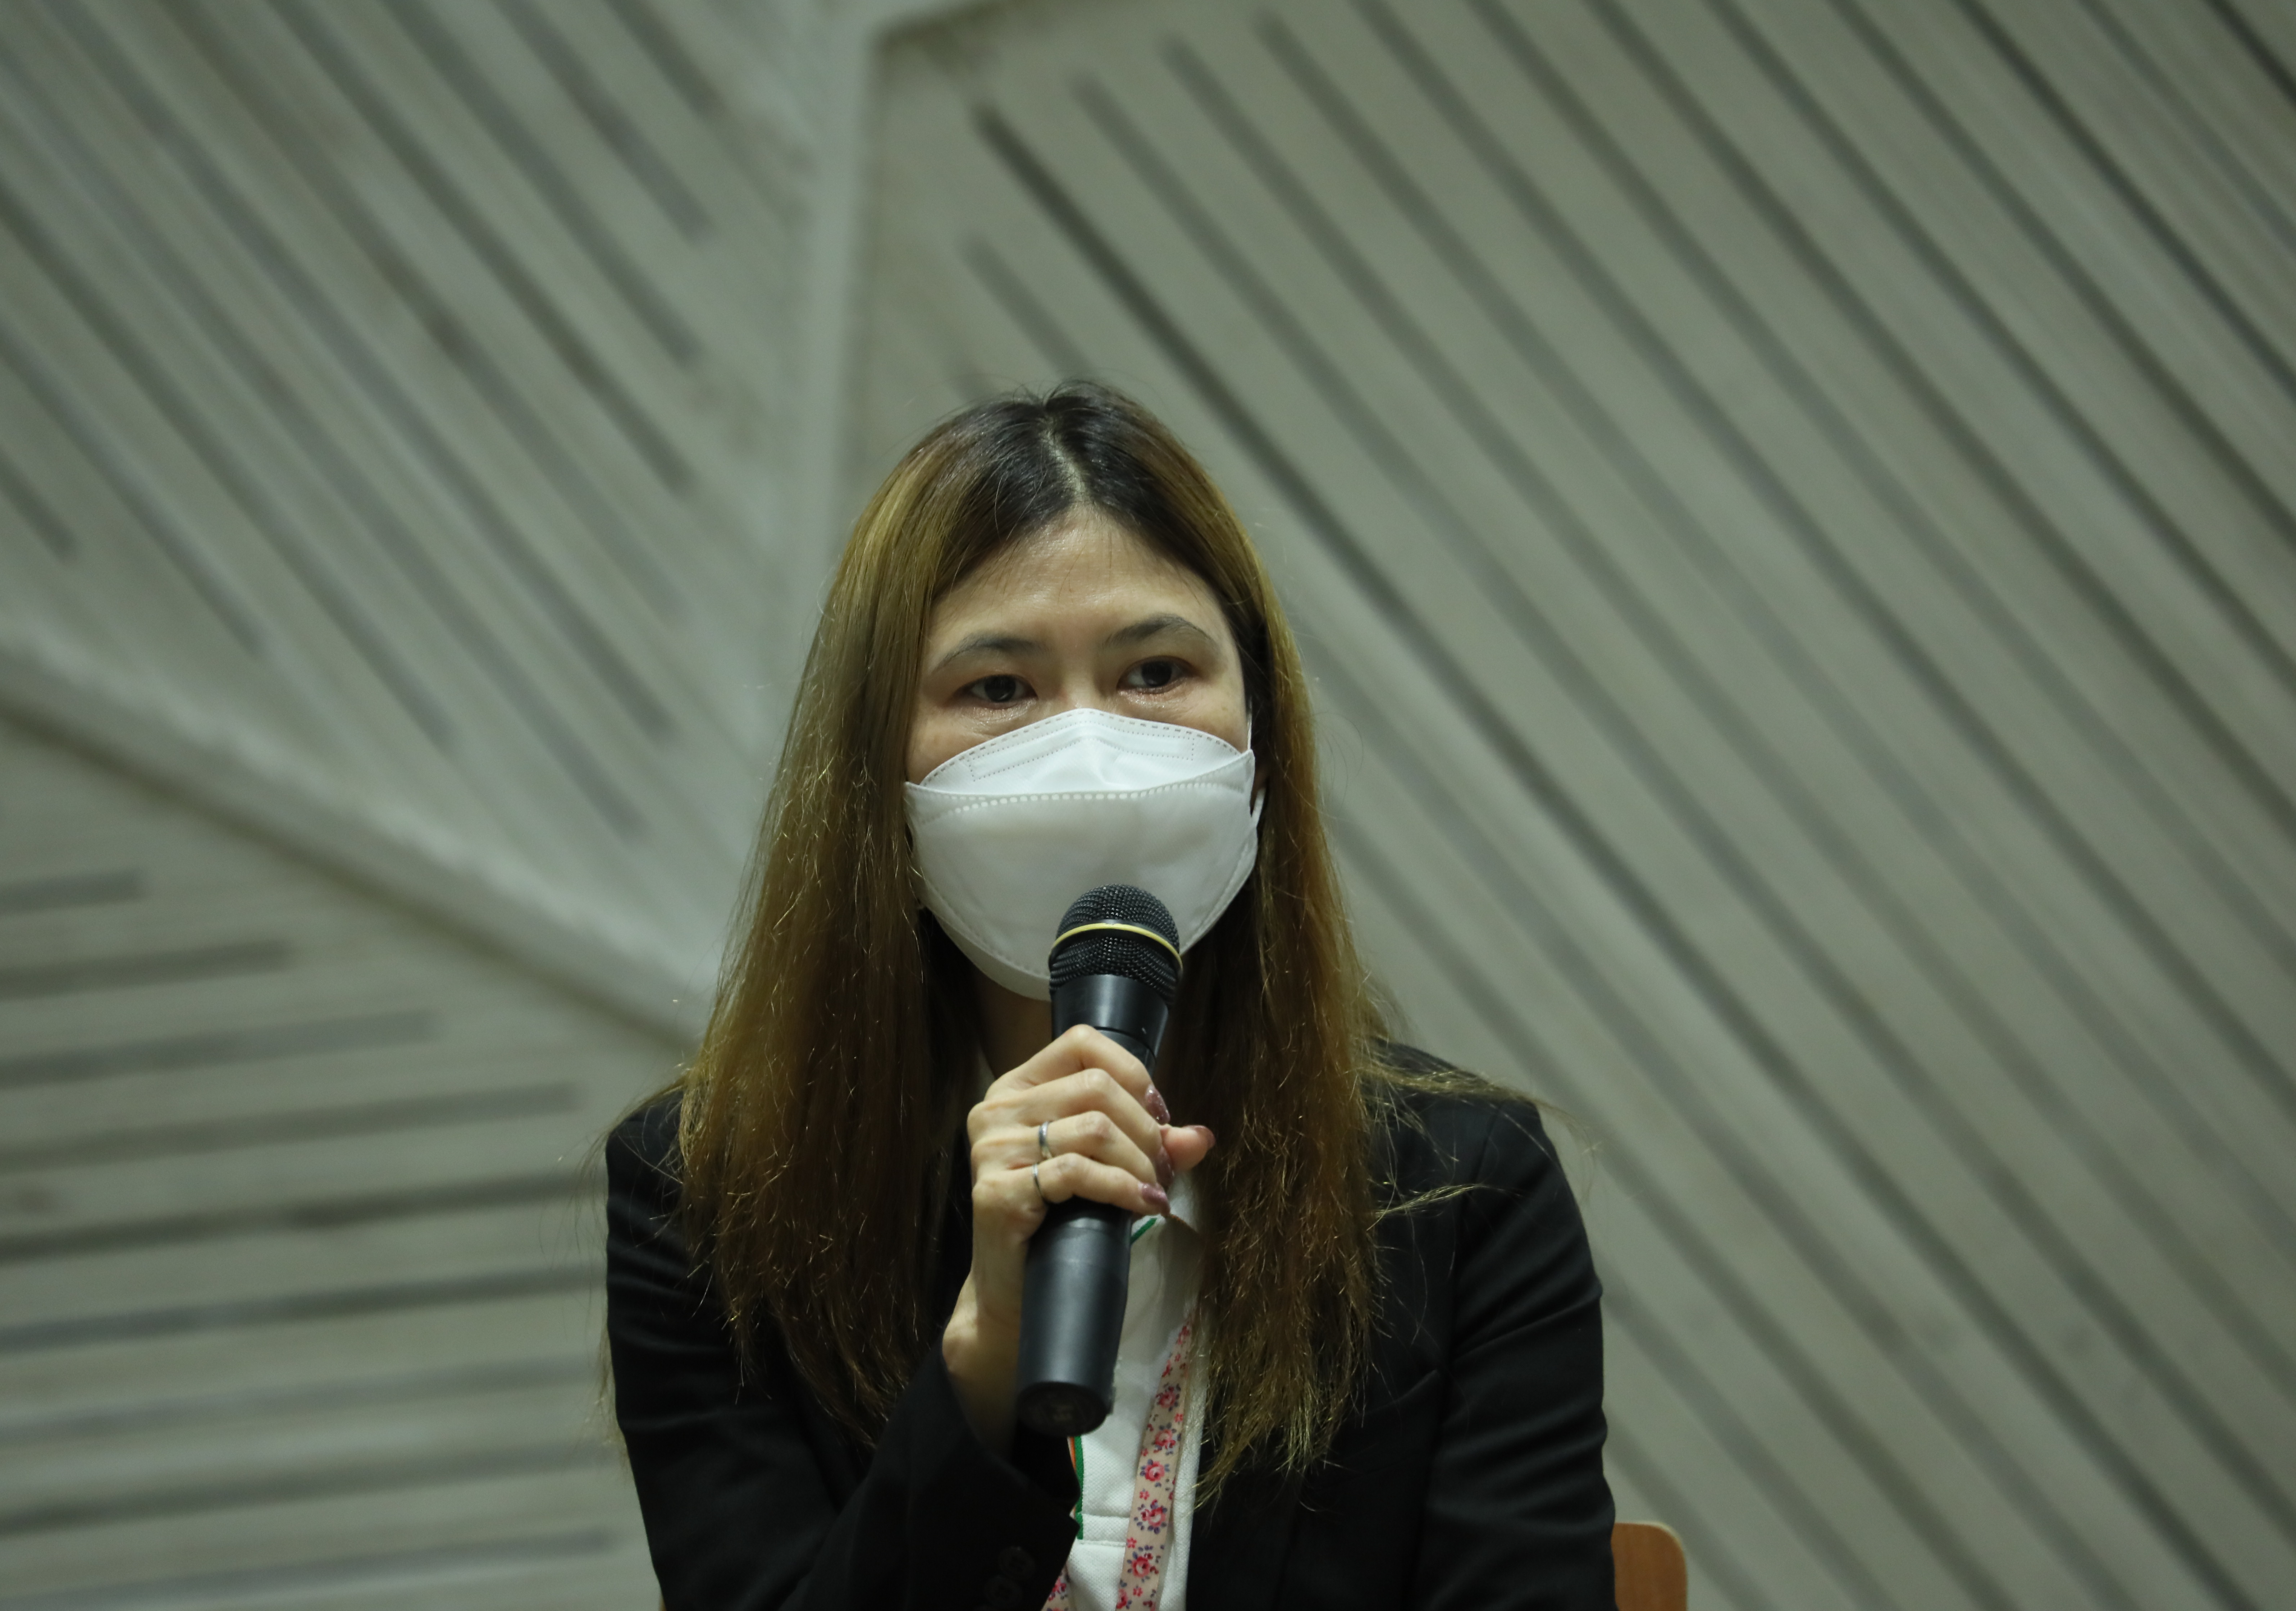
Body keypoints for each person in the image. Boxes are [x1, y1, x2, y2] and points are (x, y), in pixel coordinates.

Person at [606, 383, 1613, 1610]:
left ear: (1259, 734)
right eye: (999, 689)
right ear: (879, 774)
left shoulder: (1460, 1192)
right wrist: (984, 1362)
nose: (1091, 753)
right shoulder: (713, 1197)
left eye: (1155, 672)